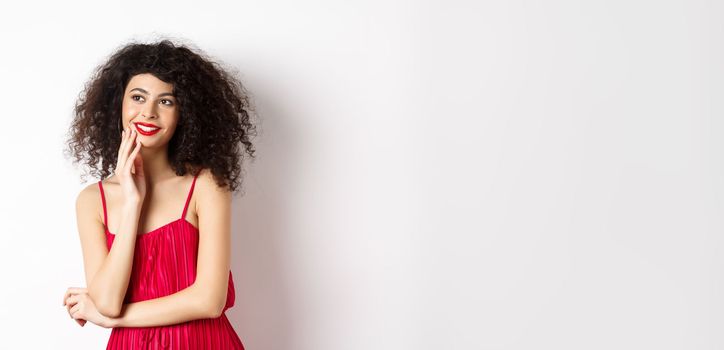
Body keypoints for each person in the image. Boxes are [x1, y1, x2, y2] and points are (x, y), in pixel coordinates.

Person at [61, 38, 257, 349]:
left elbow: (209, 301)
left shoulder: (206, 185)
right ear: (118, 104)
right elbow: (107, 301)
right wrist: (131, 205)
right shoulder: (91, 201)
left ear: (185, 114)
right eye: (138, 97)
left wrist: (114, 320)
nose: (148, 112)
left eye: (166, 101)